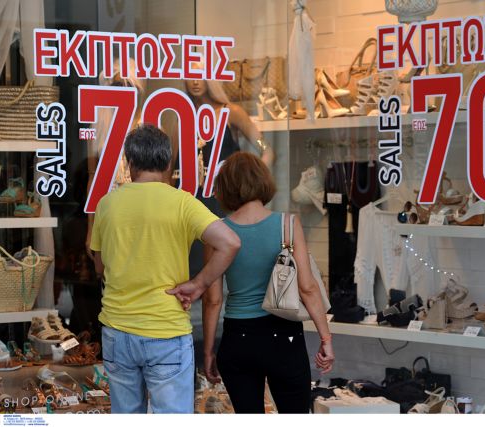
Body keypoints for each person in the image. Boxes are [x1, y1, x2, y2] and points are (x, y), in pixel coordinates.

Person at [169, 152, 335, 414]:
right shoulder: (288, 224)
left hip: (238, 338)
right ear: (262, 180)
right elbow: (308, 287)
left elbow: (213, 300)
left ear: (226, 187)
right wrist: (325, 338)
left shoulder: (218, 231)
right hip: (284, 337)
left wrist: (209, 351)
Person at [90, 124, 240, 414]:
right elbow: (230, 243)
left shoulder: (107, 205)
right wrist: (199, 284)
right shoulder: (182, 202)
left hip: (118, 330)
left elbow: (99, 266)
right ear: (168, 163)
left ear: (130, 163)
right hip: (166, 329)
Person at [179, 70, 274, 277]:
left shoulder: (230, 112)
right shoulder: (183, 115)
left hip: (224, 199)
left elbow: (266, 150)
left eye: (200, 75)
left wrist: (251, 182)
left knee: (226, 258)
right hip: (192, 199)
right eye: (190, 75)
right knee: (195, 264)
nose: (195, 81)